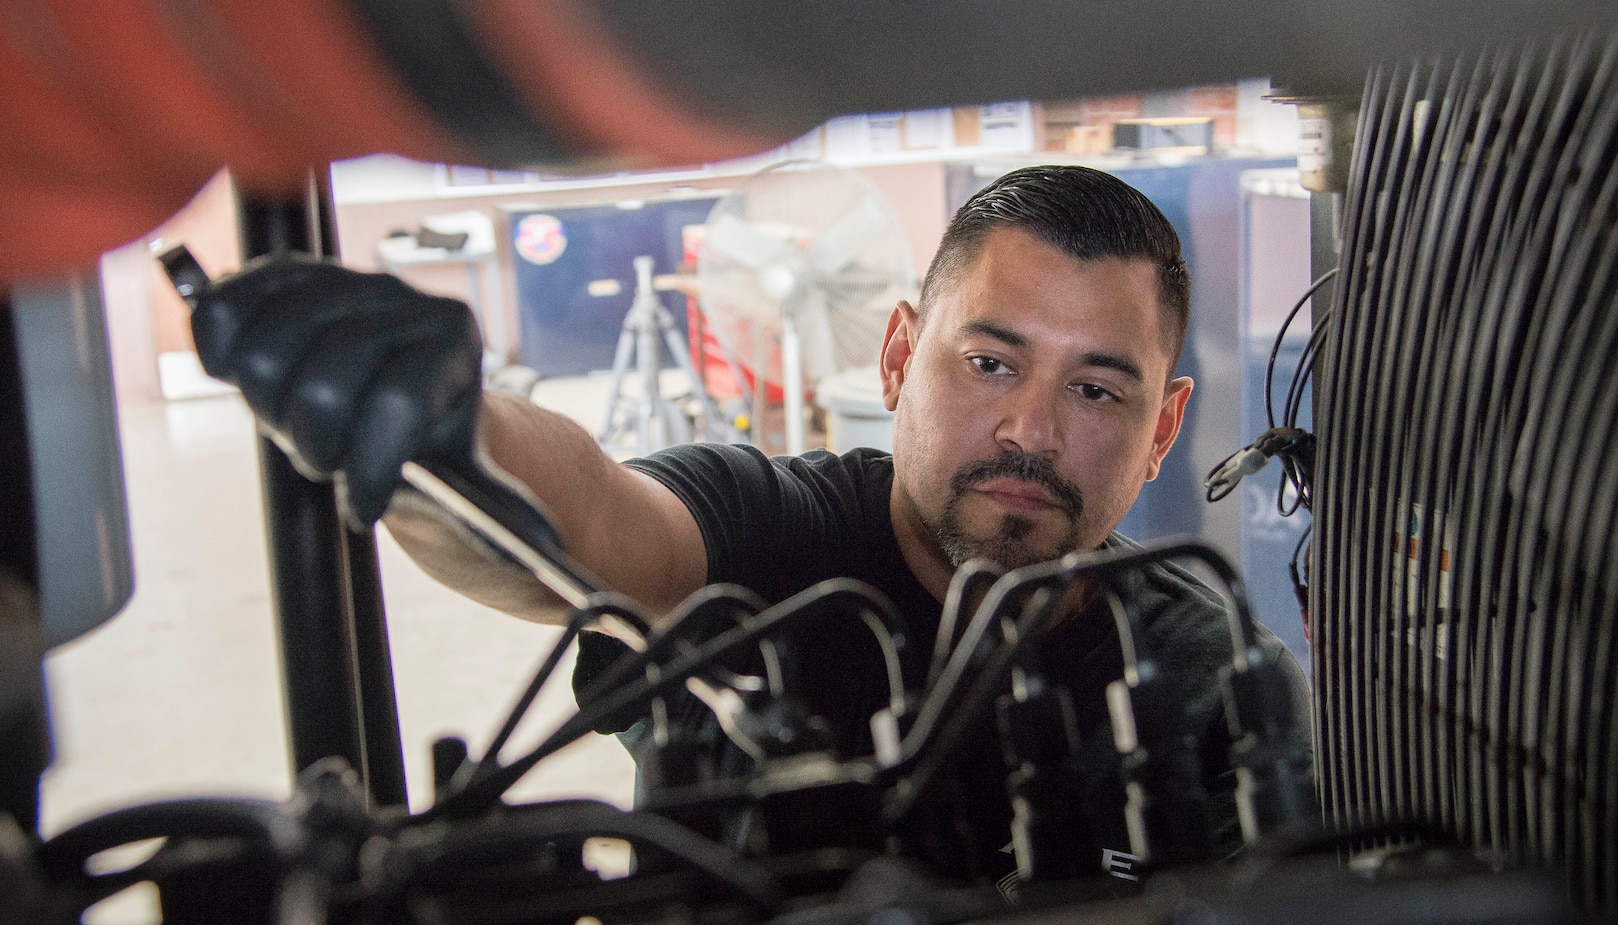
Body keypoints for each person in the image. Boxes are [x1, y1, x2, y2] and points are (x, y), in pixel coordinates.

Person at [190, 165, 1311, 885]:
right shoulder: (770, 530)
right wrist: (443, 431)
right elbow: (584, 523)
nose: (1030, 428)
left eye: (1097, 391)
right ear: (895, 357)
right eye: (988, 361)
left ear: (1163, 429)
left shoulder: (1200, 660)